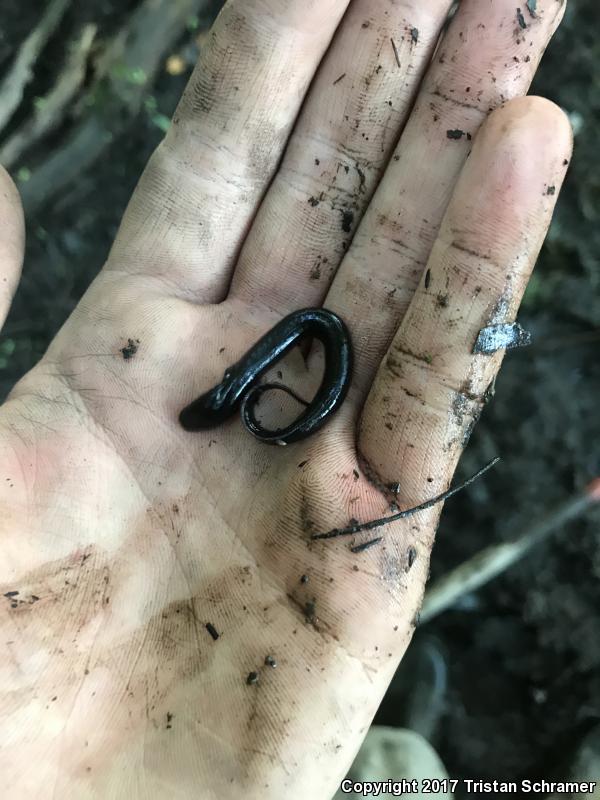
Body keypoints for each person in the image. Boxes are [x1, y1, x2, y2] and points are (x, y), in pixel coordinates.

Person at [0, 0, 573, 797]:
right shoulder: (246, 394)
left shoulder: (253, 389)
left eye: (225, 406)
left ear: (224, 401)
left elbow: (307, 345)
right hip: (306, 343)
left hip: (314, 338)